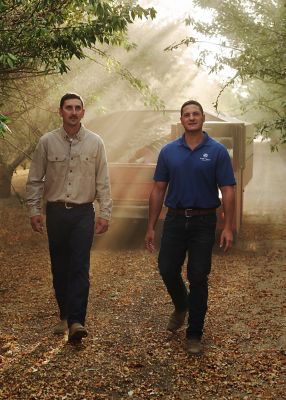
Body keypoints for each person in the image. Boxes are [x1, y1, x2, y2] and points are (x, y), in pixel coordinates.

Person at [145, 100, 235, 355]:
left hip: (204, 221)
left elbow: (228, 190)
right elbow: (158, 189)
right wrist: (150, 226)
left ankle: (194, 333)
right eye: (187, 114)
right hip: (174, 219)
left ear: (203, 118)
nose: (192, 118)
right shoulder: (169, 151)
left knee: (197, 276)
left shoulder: (217, 151)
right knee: (166, 268)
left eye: (196, 114)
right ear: (181, 120)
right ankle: (181, 304)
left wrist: (228, 226)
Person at [26, 93, 112, 343]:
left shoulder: (96, 143)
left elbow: (103, 181)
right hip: (55, 212)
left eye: (78, 108)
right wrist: (34, 211)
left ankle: (76, 321)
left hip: (83, 213)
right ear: (60, 112)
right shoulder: (47, 142)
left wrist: (105, 212)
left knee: (80, 266)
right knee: (60, 266)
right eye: (69, 108)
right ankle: (64, 313)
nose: (73, 112)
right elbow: (34, 179)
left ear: (83, 112)